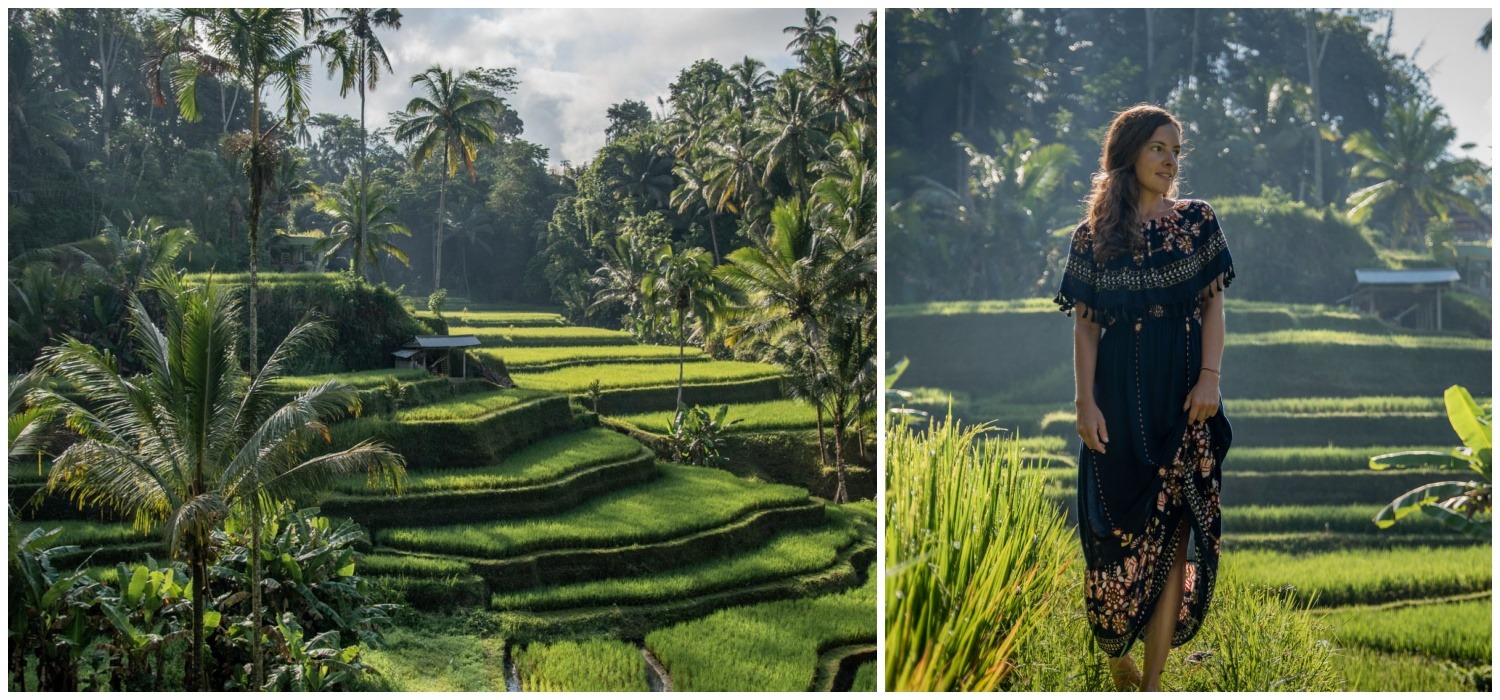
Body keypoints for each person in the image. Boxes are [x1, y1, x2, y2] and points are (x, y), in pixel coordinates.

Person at [1053, 104, 1234, 692]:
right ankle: (1115, 655)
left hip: (1185, 400)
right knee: (1108, 537)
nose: (1170, 160)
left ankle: (1153, 684)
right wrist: (1084, 403)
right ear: (1129, 151)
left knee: (1177, 541)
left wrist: (1211, 376)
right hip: (1117, 399)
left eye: (1177, 151)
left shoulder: (1198, 222)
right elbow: (1085, 324)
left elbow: (1213, 305)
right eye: (1159, 147)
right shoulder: (1094, 237)